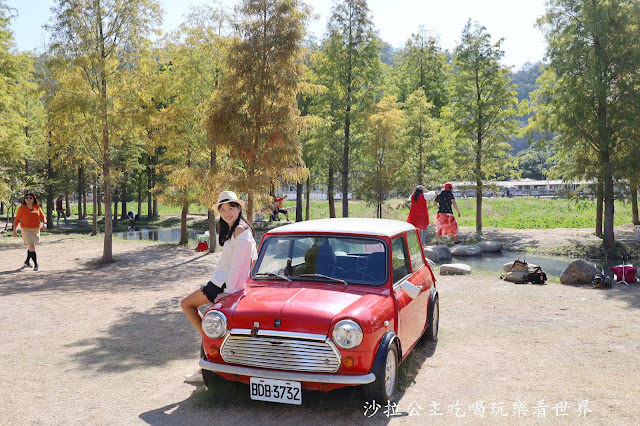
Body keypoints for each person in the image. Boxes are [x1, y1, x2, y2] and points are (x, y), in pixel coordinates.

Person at [180, 190, 258, 383]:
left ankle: (209, 348)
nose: (227, 212)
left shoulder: (241, 231)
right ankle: (206, 358)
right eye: (223, 209)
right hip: (219, 283)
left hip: (223, 286)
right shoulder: (235, 230)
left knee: (187, 304)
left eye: (231, 207)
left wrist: (229, 293)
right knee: (203, 316)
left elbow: (239, 267)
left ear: (239, 208)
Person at [13, 191, 47, 271]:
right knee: (32, 245)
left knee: (32, 246)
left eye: (30, 198)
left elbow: (43, 217)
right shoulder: (21, 208)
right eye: (26, 198)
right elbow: (17, 219)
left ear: (33, 199)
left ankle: (27, 261)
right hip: (26, 229)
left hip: (35, 229)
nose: (28, 199)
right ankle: (36, 264)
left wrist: (44, 223)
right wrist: (14, 230)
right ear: (24, 199)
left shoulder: (37, 207)